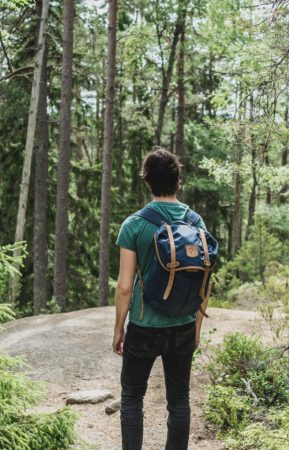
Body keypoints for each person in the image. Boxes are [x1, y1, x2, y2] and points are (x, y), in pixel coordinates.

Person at [113, 147, 209, 450]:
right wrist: (196, 329)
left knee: (131, 398)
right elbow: (204, 284)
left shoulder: (135, 224)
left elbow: (125, 286)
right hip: (182, 324)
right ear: (177, 179)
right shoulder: (197, 224)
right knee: (179, 400)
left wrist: (119, 328)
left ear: (147, 181)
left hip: (144, 326)